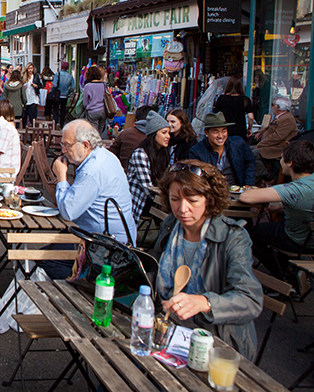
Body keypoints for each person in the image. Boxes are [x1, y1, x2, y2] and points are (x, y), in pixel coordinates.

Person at [152, 160, 263, 360]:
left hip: (217, 341)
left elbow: (250, 299)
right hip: (173, 329)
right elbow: (155, 270)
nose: (182, 209)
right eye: (175, 199)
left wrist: (205, 302)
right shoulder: (170, 225)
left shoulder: (232, 237)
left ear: (209, 200)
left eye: (192, 201)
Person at [53, 120, 137, 244]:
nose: (63, 150)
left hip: (106, 245)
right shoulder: (104, 155)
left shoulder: (92, 170)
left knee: (47, 254)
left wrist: (61, 176)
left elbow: (68, 212)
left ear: (85, 145)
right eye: (62, 144)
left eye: (67, 145)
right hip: (114, 237)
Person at [241, 140, 314, 281]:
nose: (280, 161)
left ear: (290, 163)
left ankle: (288, 276)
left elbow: (246, 196)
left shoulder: (293, 189)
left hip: (298, 241)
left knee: (249, 233)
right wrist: (279, 207)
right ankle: (291, 269)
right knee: (272, 229)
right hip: (307, 234)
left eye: (281, 158)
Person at [127, 111, 172, 221]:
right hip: (140, 201)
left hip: (155, 199)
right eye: (164, 132)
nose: (168, 136)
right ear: (153, 134)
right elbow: (147, 187)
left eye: (168, 133)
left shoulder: (163, 153)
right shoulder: (140, 154)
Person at [190, 112, 256, 187]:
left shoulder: (238, 144)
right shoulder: (197, 151)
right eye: (216, 132)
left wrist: (247, 185)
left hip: (236, 189)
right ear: (206, 133)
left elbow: (250, 162)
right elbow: (197, 178)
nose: (221, 136)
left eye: (224, 131)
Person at [250, 96, 298, 182]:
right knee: (246, 150)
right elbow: (270, 127)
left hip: (277, 148)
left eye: (273, 105)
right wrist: (260, 132)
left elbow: (277, 137)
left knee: (252, 154)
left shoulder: (287, 119)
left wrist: (261, 144)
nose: (272, 107)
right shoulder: (281, 117)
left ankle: (265, 176)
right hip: (271, 145)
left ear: (278, 107)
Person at [108, 105, 153, 169]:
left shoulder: (125, 134)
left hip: (124, 170)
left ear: (136, 119)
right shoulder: (155, 136)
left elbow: (112, 153)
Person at [82, 65, 107, 134]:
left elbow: (85, 102)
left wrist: (87, 107)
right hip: (103, 110)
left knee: (94, 132)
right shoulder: (103, 85)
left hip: (92, 111)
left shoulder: (88, 86)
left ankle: (95, 140)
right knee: (100, 131)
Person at [53, 62, 75, 127]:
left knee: (55, 109)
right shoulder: (70, 76)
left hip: (57, 95)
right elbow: (73, 87)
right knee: (63, 110)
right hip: (65, 96)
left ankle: (56, 122)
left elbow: (54, 85)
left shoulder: (57, 74)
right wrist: (68, 91)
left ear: (61, 67)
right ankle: (62, 124)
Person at [22, 63, 43, 128]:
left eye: (31, 68)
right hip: (26, 96)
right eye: (29, 68)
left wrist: (36, 86)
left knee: (32, 114)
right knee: (24, 115)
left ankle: (32, 127)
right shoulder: (24, 76)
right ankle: (24, 128)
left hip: (33, 96)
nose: (30, 70)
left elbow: (41, 85)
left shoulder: (36, 76)